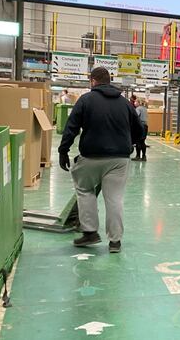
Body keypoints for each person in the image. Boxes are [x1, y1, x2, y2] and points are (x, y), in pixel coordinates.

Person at [58, 67, 143, 253]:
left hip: (91, 156)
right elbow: (140, 128)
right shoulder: (125, 103)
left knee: (85, 189)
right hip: (119, 159)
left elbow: (71, 127)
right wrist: (131, 145)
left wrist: (63, 150)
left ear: (93, 81)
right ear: (109, 80)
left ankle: (90, 232)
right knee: (114, 198)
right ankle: (115, 242)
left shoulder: (86, 100)